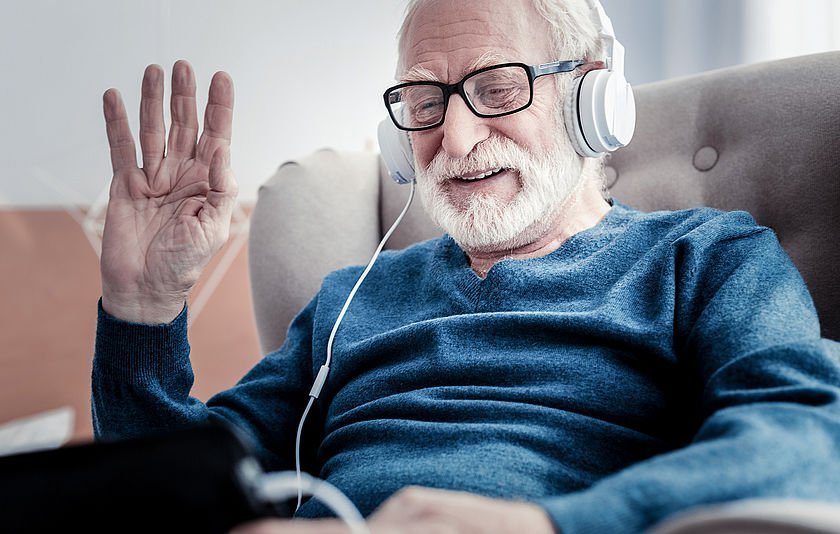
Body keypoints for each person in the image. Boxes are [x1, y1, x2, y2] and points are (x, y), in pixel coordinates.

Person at [92, 0, 840, 532]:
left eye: (497, 87)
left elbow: (803, 441)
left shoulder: (705, 258)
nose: (453, 138)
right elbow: (175, 487)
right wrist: (143, 308)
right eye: (424, 100)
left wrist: (544, 525)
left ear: (589, 96)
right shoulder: (354, 297)